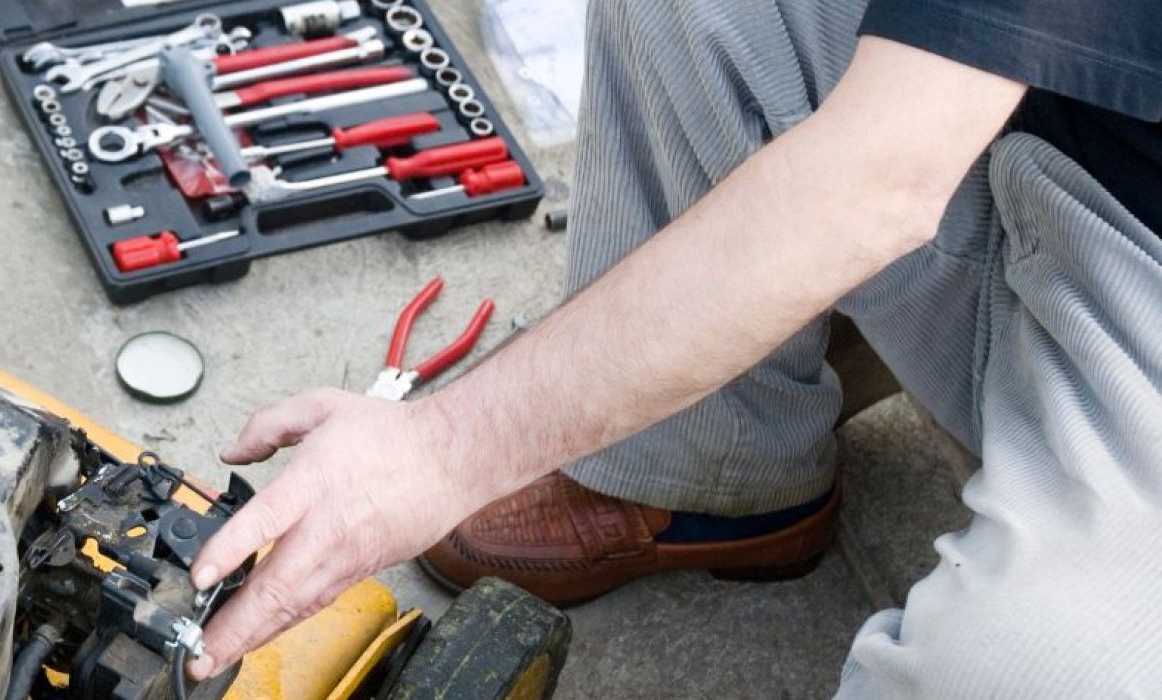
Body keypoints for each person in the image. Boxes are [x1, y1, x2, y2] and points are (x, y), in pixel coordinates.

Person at [184, 0, 1162, 695]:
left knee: (999, 674)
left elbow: (876, 182)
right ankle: (715, 471)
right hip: (1065, 157)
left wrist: (440, 451)